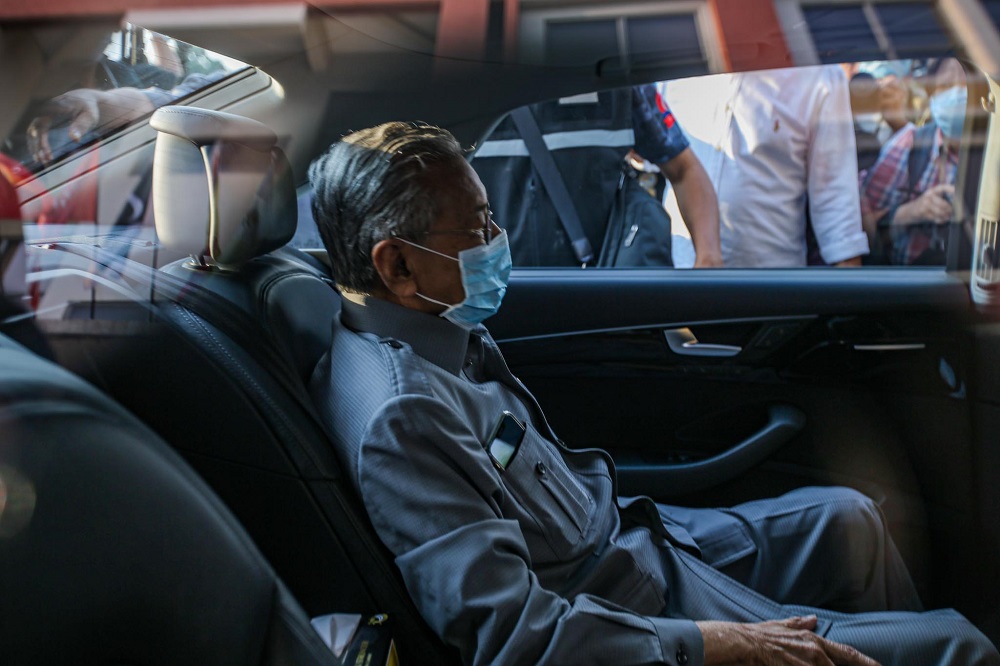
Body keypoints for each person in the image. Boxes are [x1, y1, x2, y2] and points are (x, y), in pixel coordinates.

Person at [307, 120, 999, 665]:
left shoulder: (443, 336)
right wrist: (716, 645)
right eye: (479, 228)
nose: (498, 243)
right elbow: (517, 638)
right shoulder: (403, 415)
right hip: (634, 610)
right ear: (396, 264)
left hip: (637, 544)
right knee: (958, 647)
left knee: (854, 519)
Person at [473, 84, 722, 268]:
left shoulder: (617, 78)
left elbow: (684, 169)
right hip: (496, 301)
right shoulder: (461, 80)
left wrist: (709, 259)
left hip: (600, 295)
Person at [660, 65, 869, 267]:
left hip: (770, 283)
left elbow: (835, 195)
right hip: (682, 271)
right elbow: (657, 160)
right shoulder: (677, 63)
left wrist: (849, 285)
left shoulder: (817, 74)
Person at [859, 58, 966, 265]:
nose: (958, 95)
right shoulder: (908, 145)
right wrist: (914, 210)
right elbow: (863, 227)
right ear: (932, 95)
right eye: (946, 86)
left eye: (968, 86)